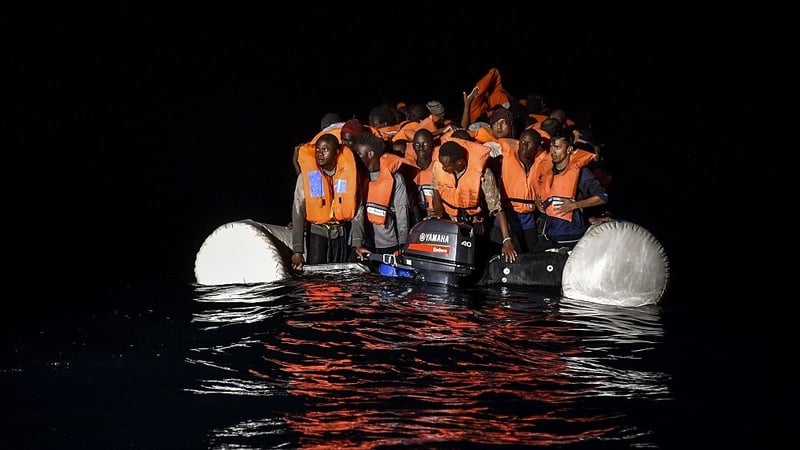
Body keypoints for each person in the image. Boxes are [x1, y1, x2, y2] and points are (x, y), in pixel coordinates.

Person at [431, 138, 517, 264]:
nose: (443, 168)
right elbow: (436, 192)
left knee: (475, 259)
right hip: (450, 221)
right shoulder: (439, 167)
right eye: (442, 163)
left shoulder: (483, 174)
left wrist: (507, 239)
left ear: (459, 163)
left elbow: (497, 207)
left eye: (447, 165)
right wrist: (438, 213)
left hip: (474, 225)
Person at [291, 133, 365, 270]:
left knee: (340, 278)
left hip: (341, 234)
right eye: (318, 150)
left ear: (336, 152)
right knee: (317, 280)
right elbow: (297, 212)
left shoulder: (349, 175)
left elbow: (358, 210)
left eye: (325, 150)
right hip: (317, 235)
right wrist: (298, 250)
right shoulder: (308, 177)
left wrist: (357, 243)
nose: (320, 153)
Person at [531, 129, 608, 252]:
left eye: (557, 147)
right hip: (548, 232)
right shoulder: (548, 172)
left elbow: (603, 197)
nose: (553, 151)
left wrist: (574, 205)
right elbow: (543, 195)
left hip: (571, 235)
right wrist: (538, 202)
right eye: (551, 147)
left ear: (569, 150)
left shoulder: (580, 172)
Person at [351, 133, 413, 261]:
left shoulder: (396, 178)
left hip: (389, 244)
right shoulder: (357, 178)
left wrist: (403, 243)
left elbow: (402, 213)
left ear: (370, 154)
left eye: (358, 154)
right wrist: (357, 243)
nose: (355, 158)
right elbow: (356, 213)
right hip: (364, 244)